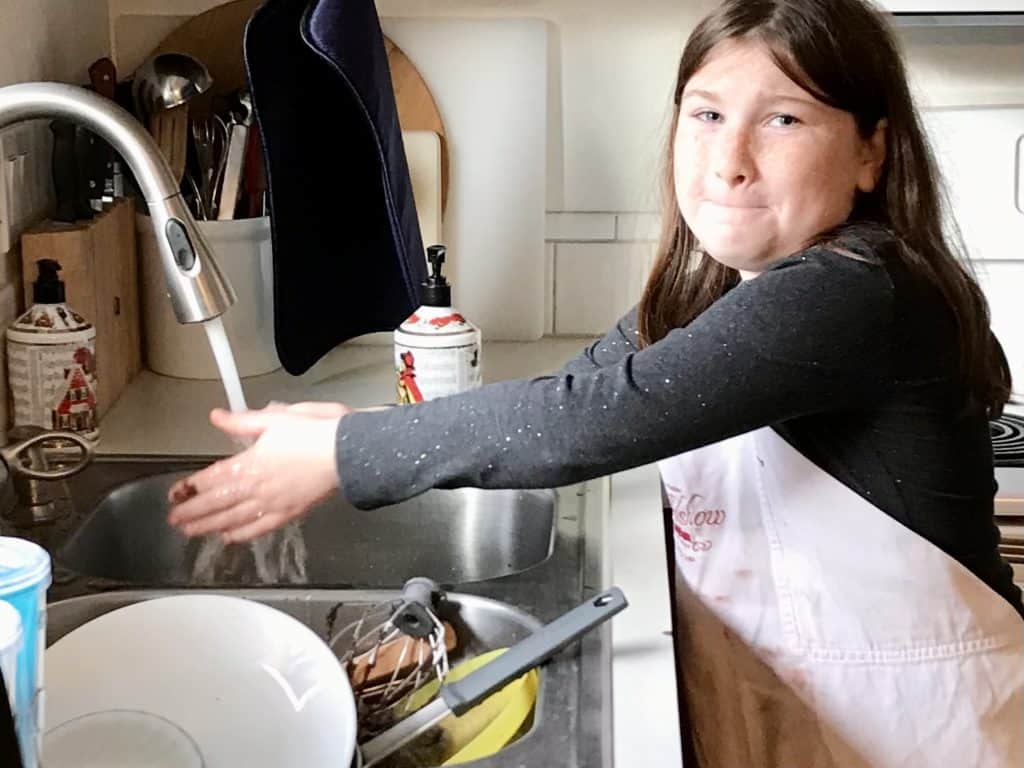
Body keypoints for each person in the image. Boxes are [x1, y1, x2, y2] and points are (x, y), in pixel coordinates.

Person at [167, 0, 1024, 764]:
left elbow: (595, 419)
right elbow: (575, 389)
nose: (729, 160)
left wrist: (346, 450)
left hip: (921, 731)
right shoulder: (726, 286)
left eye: (785, 120)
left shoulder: (853, 289)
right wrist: (347, 435)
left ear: (872, 152)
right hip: (811, 714)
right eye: (708, 113)